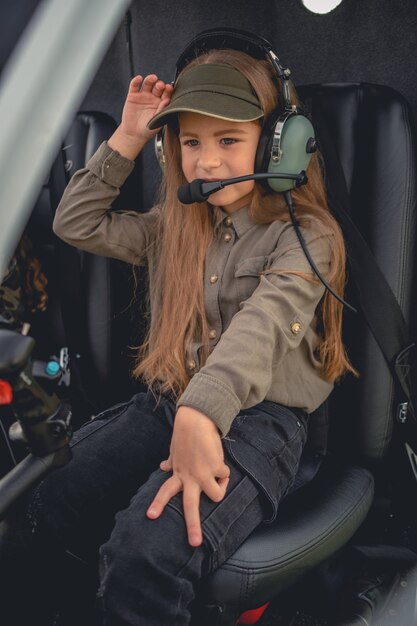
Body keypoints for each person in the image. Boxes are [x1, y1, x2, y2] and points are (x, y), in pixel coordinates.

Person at [0, 29, 356, 626]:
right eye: (190, 141)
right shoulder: (178, 223)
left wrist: (201, 413)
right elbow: (77, 223)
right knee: (48, 497)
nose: (206, 160)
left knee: (143, 557)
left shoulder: (308, 237)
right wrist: (129, 137)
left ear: (278, 146)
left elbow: (262, 329)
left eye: (228, 139)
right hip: (171, 402)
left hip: (261, 423)